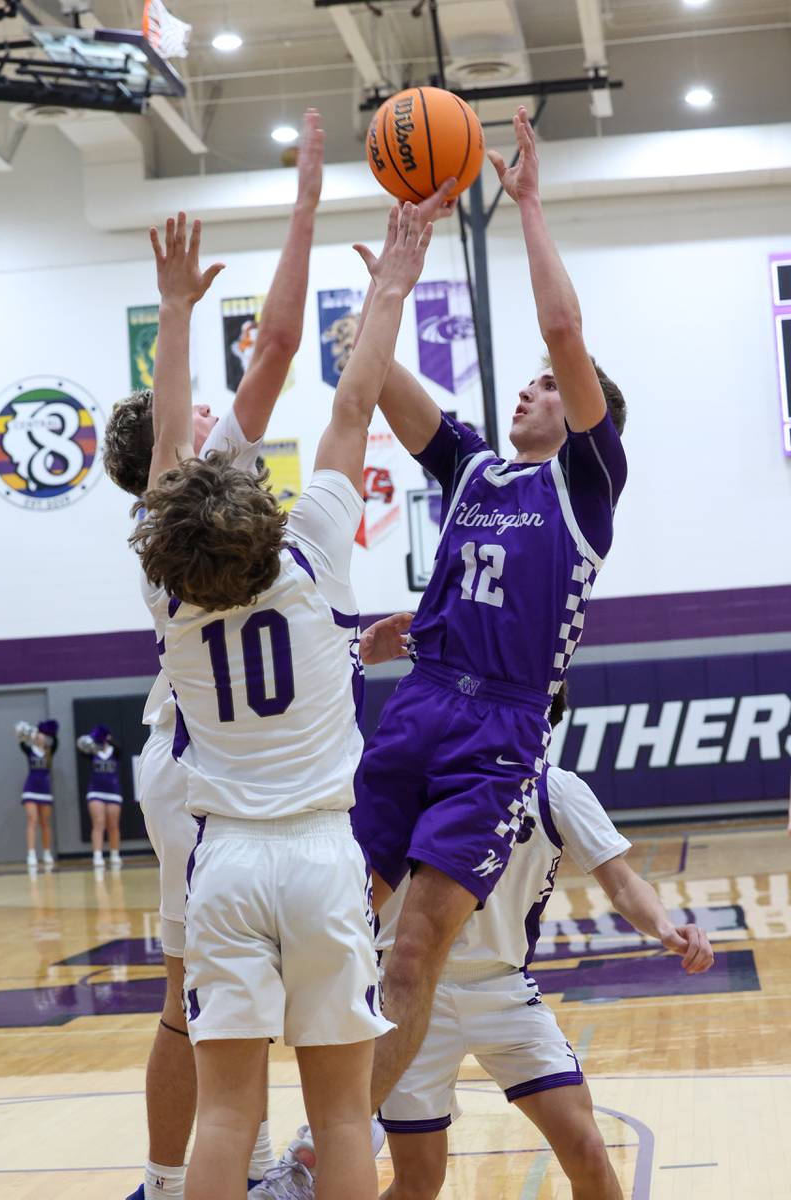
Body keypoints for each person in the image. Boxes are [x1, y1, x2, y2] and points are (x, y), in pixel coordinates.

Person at [130, 201, 433, 1200]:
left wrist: (174, 313)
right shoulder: (310, 566)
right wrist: (391, 280)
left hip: (226, 866)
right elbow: (351, 406)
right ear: (264, 510)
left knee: (226, 1113)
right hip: (317, 859)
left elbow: (170, 444)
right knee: (342, 1114)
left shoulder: (168, 597)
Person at [350, 106, 629, 1114]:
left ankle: (318, 1158)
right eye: (533, 380)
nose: (535, 381)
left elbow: (562, 328)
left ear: (588, 414)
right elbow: (373, 376)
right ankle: (274, 1136)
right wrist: (388, 286)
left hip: (501, 728)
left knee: (416, 952)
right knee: (328, 926)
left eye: (554, 387)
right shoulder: (470, 469)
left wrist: (527, 208)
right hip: (420, 701)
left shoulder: (584, 491)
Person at [105, 112, 327, 1200]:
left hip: (183, 753)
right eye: (187, 409)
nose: (206, 408)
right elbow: (281, 345)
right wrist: (302, 203)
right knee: (259, 993)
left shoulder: (176, 522)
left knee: (189, 993)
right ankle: (270, 1165)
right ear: (178, 442)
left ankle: (167, 1178)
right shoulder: (200, 482)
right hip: (213, 769)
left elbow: (272, 349)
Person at [375, 685, 714, 1200]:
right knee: (419, 1182)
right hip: (409, 992)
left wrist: (665, 927)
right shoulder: (417, 782)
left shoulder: (558, 790)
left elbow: (621, 881)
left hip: (504, 991)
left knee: (588, 1150)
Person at [76, 724, 123, 869]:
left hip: (113, 791)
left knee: (113, 825)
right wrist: (89, 742)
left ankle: (114, 854)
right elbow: (81, 749)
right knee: (98, 822)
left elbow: (120, 749)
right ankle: (97, 855)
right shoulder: (92, 751)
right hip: (95, 791)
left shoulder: (114, 751)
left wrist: (107, 739)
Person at [16, 719, 59, 870]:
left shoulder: (49, 751)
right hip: (30, 788)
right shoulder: (29, 750)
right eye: (38, 735)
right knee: (32, 820)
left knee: (44, 823)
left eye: (42, 735)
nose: (39, 737)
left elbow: (55, 741)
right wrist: (23, 732)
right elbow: (21, 742)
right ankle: (31, 854)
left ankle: (47, 853)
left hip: (44, 790)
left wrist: (50, 731)